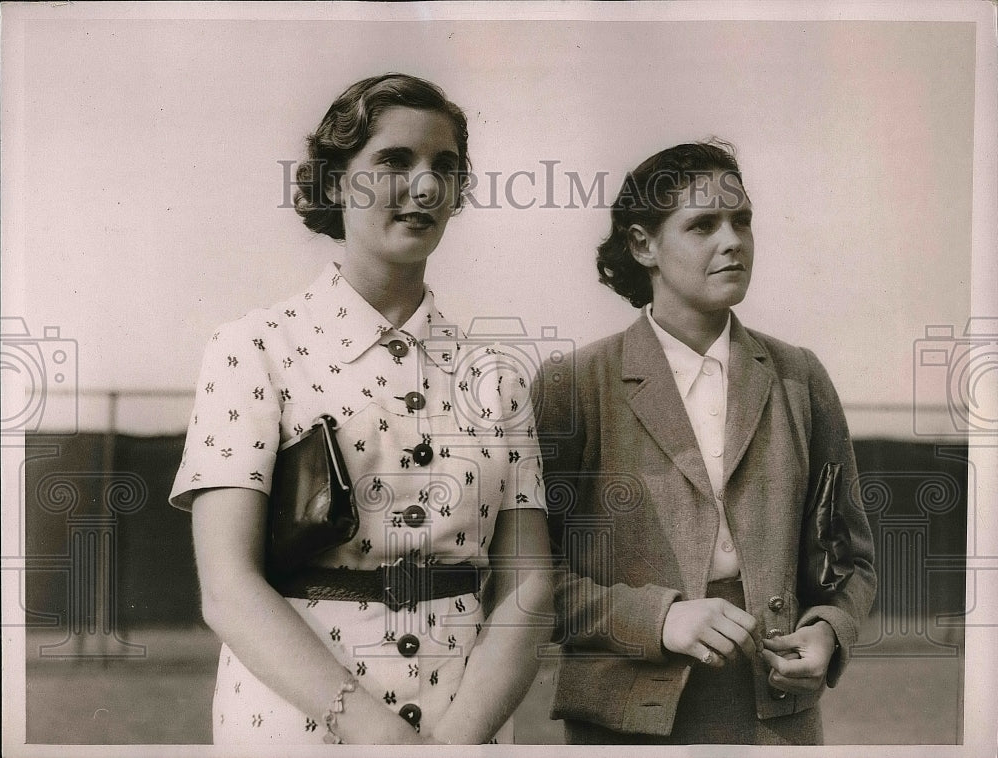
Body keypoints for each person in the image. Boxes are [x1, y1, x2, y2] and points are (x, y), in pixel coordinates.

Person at [169, 73, 552, 745]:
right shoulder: (254, 349)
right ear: (337, 181)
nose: (427, 186)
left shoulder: (496, 376)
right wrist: (379, 735)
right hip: (299, 723)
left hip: (464, 726)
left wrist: (457, 740)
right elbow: (228, 588)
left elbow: (528, 591)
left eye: (446, 168)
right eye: (395, 162)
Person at [534, 141, 876, 744]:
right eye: (702, 225)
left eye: (741, 220)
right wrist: (656, 618)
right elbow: (524, 579)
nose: (733, 240)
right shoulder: (574, 385)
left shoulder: (799, 375)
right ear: (644, 246)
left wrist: (828, 630)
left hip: (776, 715)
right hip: (626, 717)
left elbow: (853, 560)